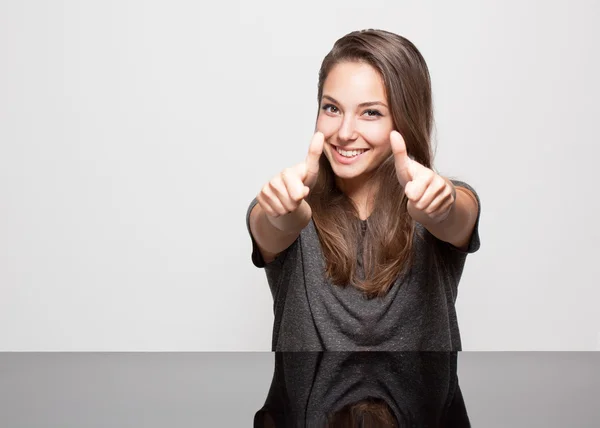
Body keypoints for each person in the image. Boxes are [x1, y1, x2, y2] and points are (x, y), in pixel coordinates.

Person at [246, 29, 481, 351]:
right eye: (332, 108)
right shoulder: (284, 197)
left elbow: (457, 213)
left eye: (371, 113)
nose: (344, 132)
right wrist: (284, 215)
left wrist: (441, 208)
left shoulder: (443, 196)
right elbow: (272, 226)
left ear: (406, 119)